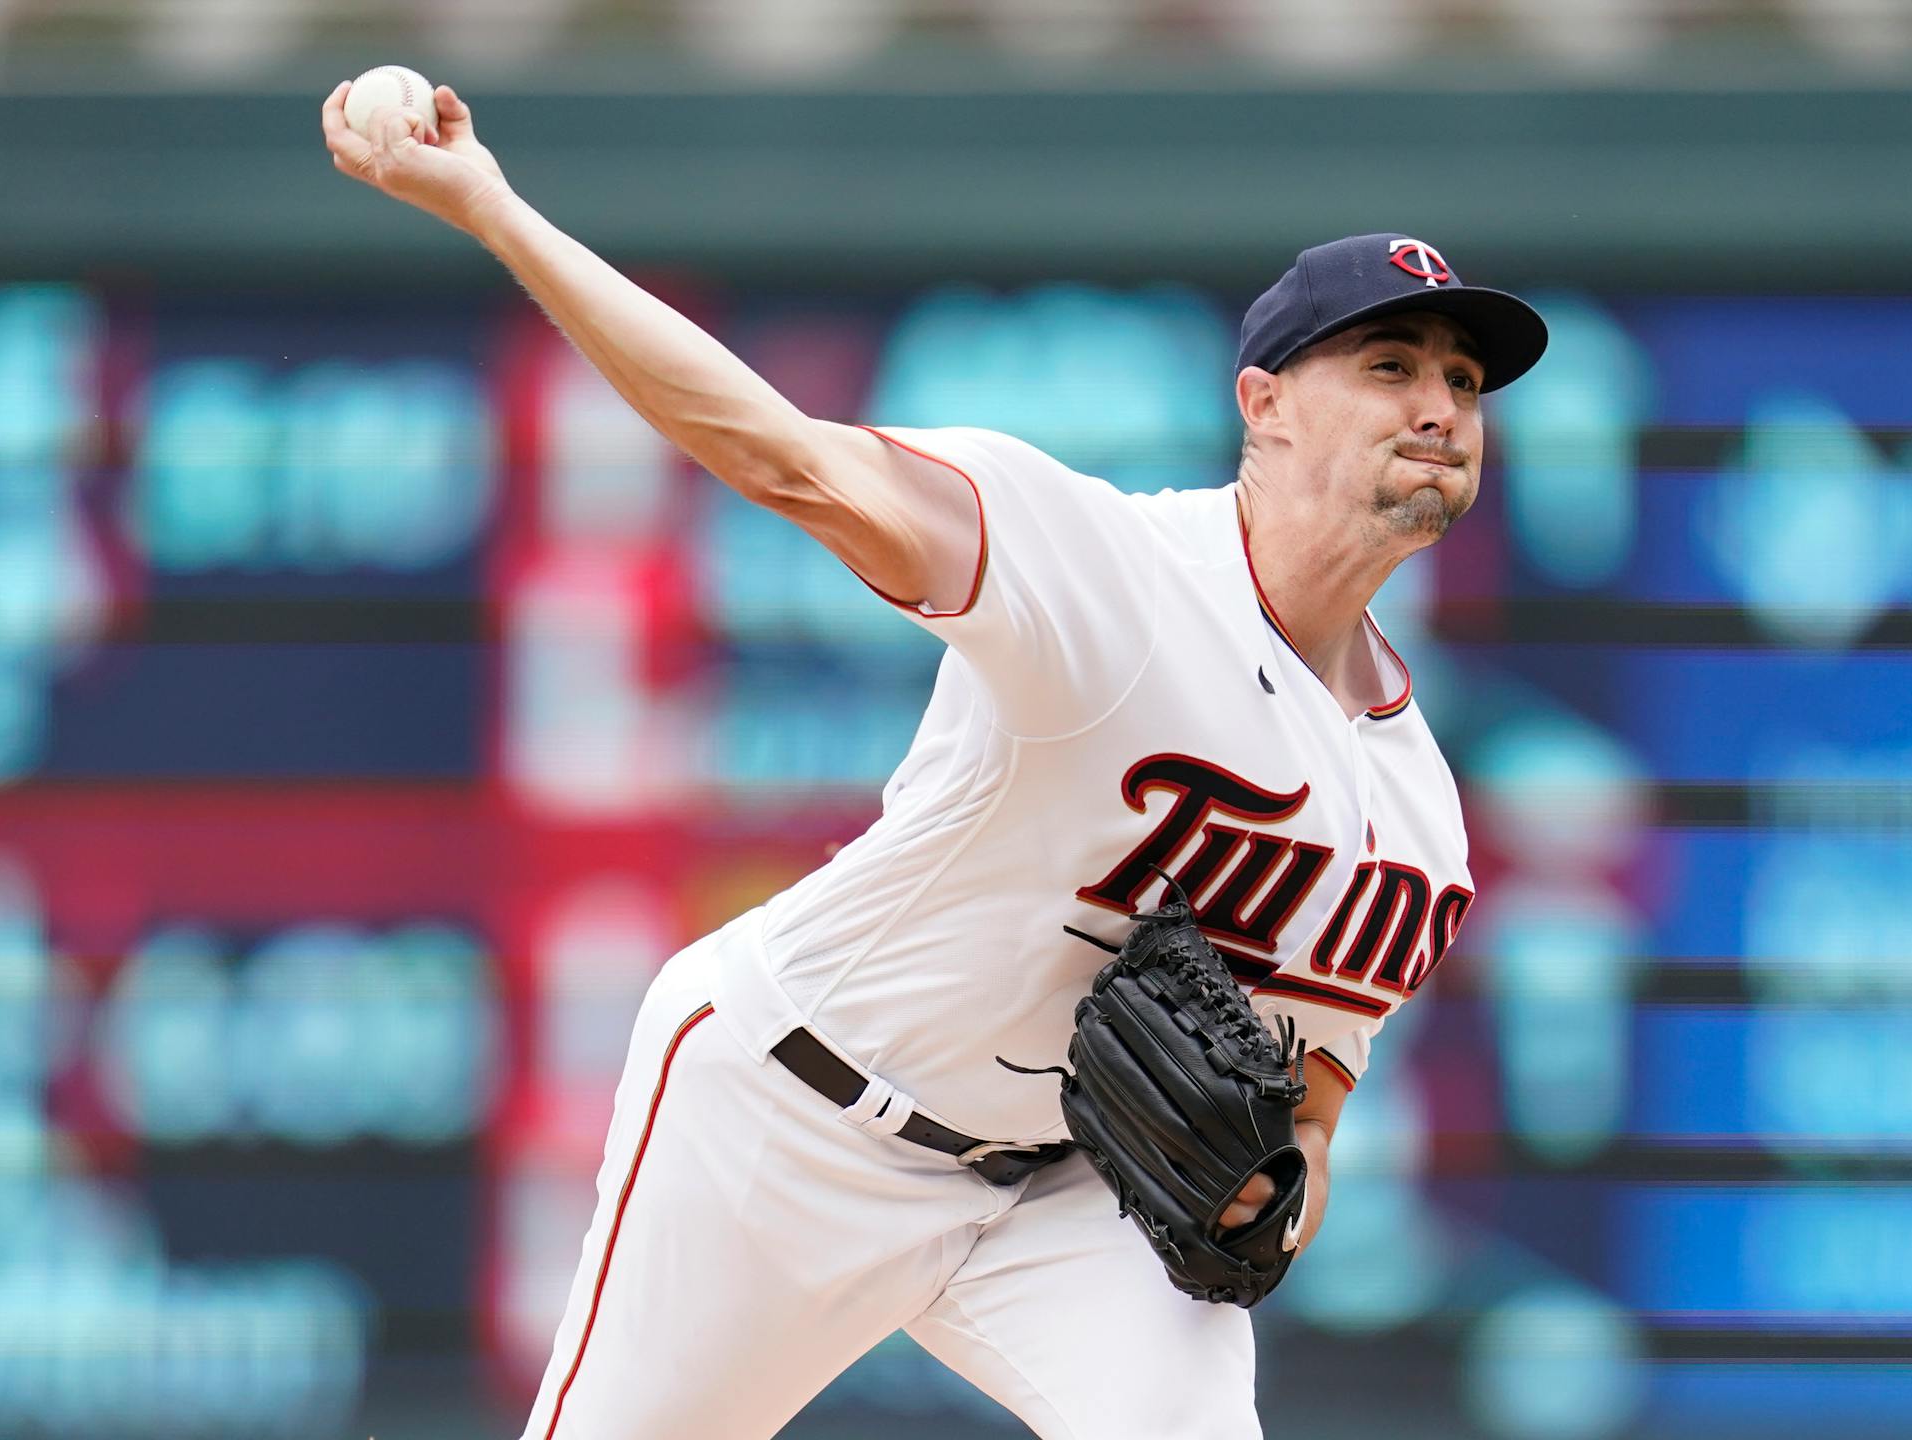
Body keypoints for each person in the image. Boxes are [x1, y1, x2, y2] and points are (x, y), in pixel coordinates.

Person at [322, 81, 1547, 1440]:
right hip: (787, 1116)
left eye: (1460, 378)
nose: (1438, 403)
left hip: (1059, 1198)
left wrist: (1278, 1192)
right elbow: (780, 457)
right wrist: (487, 206)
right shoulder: (1106, 571)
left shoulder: (1418, 819)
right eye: (1389, 366)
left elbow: (1311, 1105)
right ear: (1264, 405)